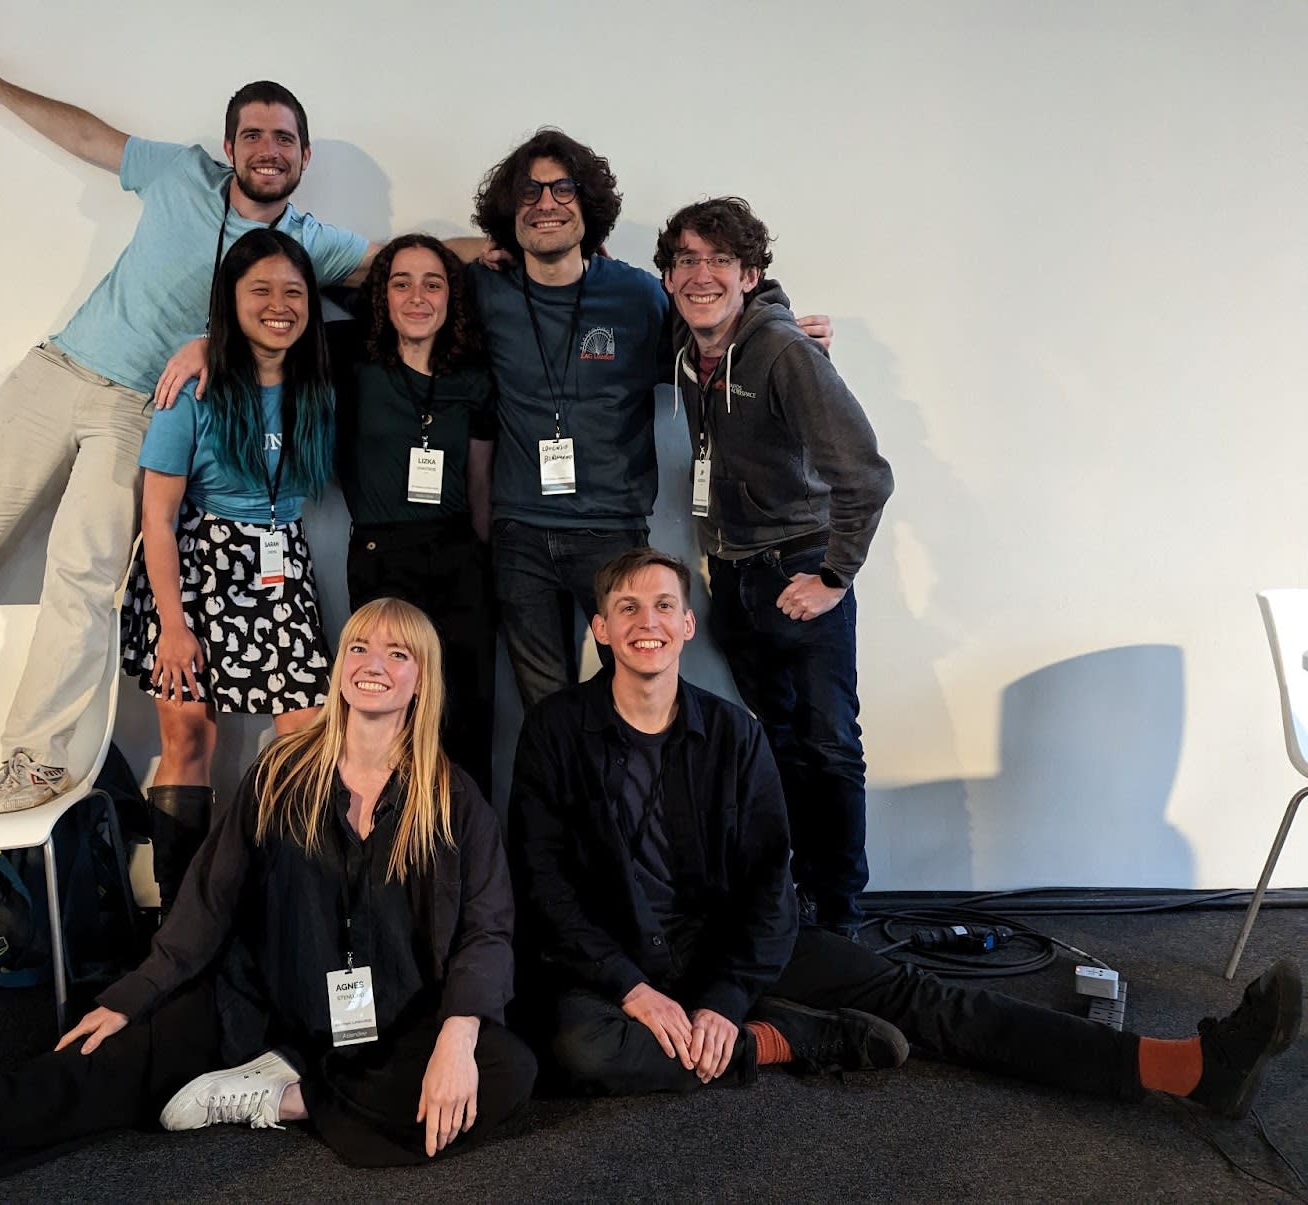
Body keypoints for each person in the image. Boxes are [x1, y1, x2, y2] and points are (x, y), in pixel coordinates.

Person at [0, 600, 536, 1202]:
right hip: (256, 1008)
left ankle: (285, 1098)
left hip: (387, 1025)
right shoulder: (281, 773)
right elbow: (207, 900)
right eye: (359, 645)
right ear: (339, 666)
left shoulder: (452, 798)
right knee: (69, 1075)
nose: (373, 662)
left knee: (509, 1067)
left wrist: (457, 1034)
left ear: (421, 677)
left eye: (397, 652)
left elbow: (487, 930)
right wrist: (132, 996)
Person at [0, 50, 373, 815]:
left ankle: (37, 757)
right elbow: (92, 138)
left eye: (285, 138)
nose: (270, 149)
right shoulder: (181, 174)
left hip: (141, 408)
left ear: (304, 154)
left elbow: (404, 265)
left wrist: (499, 252)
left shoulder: (310, 241)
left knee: (84, 573)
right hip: (59, 369)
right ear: (230, 146)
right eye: (255, 135)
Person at [509, 547, 1302, 1110]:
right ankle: (785, 1041)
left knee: (924, 998)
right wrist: (633, 987)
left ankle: (1185, 1066)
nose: (646, 621)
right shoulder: (554, 733)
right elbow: (544, 886)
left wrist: (722, 996)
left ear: (687, 625)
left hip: (728, 949)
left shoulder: (733, 734)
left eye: (663, 606)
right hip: (618, 960)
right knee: (574, 1049)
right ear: (602, 629)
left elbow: (769, 882)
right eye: (627, 608)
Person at [467, 129, 834, 708]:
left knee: (637, 695)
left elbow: (720, 337)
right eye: (529, 192)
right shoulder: (485, 289)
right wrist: (475, 246)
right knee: (543, 707)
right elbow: (407, 273)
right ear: (509, 212)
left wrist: (790, 337)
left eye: (563, 189)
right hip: (520, 534)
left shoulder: (638, 295)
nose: (545, 204)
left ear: (589, 205)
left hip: (612, 529)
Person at [656, 197, 894, 938]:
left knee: (830, 746)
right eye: (687, 260)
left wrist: (834, 578)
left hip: (799, 569)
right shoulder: (688, 344)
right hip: (733, 577)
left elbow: (865, 476)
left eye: (720, 260)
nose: (701, 275)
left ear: (751, 274)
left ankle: (841, 914)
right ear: (667, 277)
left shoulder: (784, 353)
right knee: (781, 742)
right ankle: (797, 901)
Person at [122, 228, 338, 912]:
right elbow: (157, 517)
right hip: (197, 571)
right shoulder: (194, 386)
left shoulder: (318, 383)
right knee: (188, 736)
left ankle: (288, 908)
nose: (279, 305)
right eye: (260, 290)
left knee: (307, 737)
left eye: (294, 292)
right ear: (231, 299)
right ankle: (182, 920)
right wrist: (173, 627)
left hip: (282, 570)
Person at [334, 234, 497, 790]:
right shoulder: (351, 361)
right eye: (400, 283)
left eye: (434, 283)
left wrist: (483, 563)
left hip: (457, 558)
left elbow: (480, 482)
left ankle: (465, 837)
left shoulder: (473, 379)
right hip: (381, 558)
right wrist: (203, 347)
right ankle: (392, 833)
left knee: (467, 713)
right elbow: (304, 278)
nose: (417, 297)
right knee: (386, 716)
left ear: (453, 295)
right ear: (381, 294)